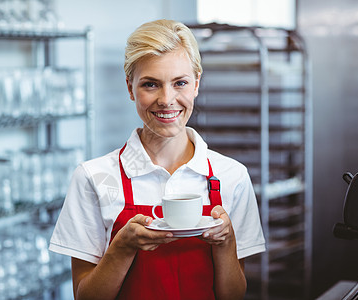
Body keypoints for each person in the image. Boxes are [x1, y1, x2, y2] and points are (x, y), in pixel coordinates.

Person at [49, 19, 265, 300]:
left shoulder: (232, 176)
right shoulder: (93, 177)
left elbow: (233, 296)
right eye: (151, 84)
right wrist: (122, 247)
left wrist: (226, 242)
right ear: (130, 88)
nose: (167, 99)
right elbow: (86, 297)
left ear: (196, 84)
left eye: (180, 83)